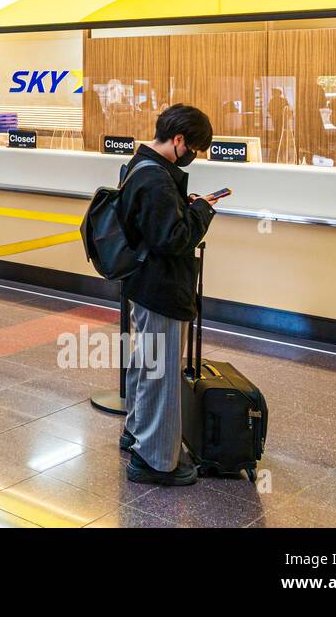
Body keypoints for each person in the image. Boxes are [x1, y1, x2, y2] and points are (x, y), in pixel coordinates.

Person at [118, 103, 218, 487]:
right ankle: (156, 460)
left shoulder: (140, 167)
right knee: (161, 373)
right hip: (161, 288)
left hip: (144, 285)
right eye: (194, 148)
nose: (194, 156)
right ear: (179, 141)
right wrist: (202, 213)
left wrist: (186, 208)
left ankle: (138, 434)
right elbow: (172, 240)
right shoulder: (157, 179)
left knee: (147, 364)